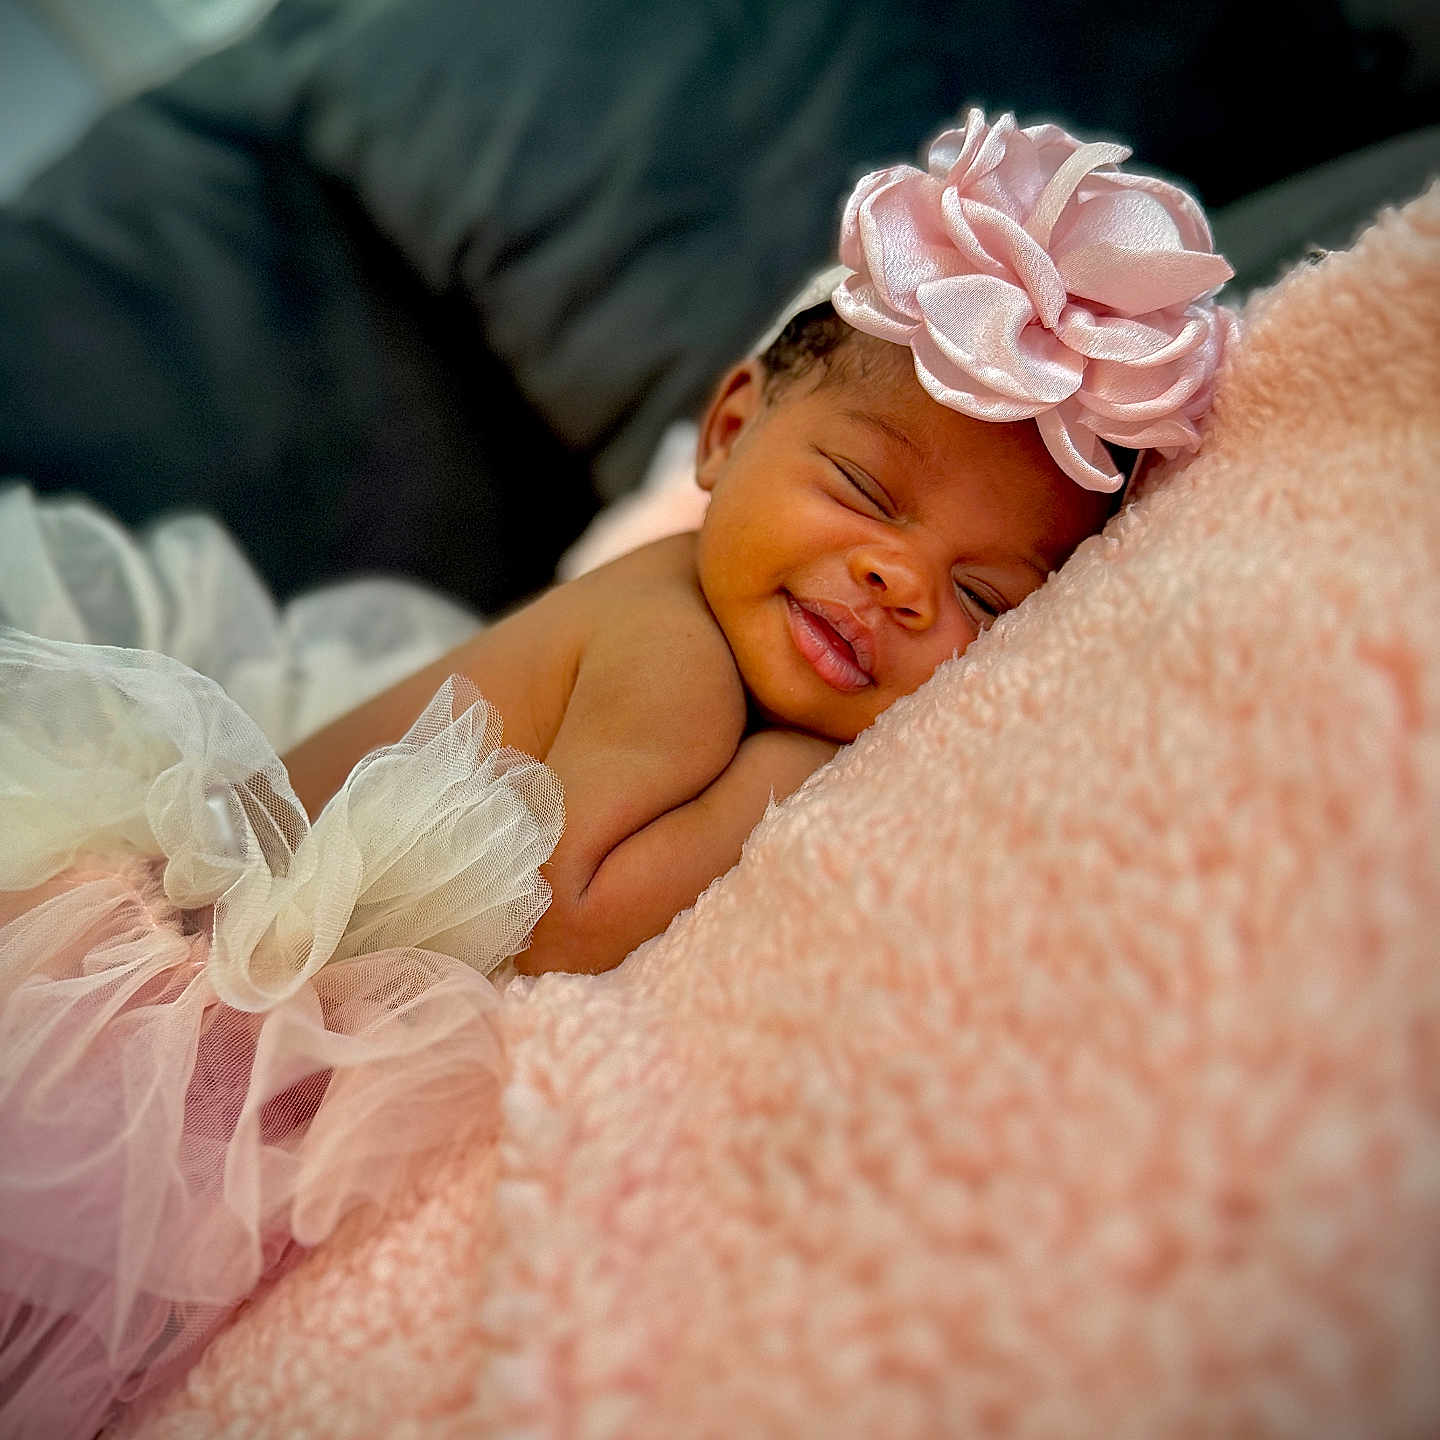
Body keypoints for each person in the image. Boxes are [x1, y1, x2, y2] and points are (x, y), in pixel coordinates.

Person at [0, 110, 1233, 1438]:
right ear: (729, 431)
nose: (898, 578)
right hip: (173, 1028)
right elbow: (566, 913)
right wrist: (785, 782)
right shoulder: (674, 650)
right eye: (867, 494)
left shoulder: (700, 629)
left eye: (983, 597)